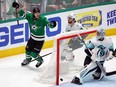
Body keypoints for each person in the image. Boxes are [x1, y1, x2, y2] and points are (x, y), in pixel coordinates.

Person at [12, 1, 56, 68]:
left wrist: (52, 24)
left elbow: (49, 24)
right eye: (36, 13)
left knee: (34, 54)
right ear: (33, 13)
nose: (37, 14)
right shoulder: (30, 17)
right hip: (32, 38)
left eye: (38, 13)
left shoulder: (43, 19)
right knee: (27, 51)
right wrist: (17, 8)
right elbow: (22, 14)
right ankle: (27, 59)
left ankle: (40, 60)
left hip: (40, 40)